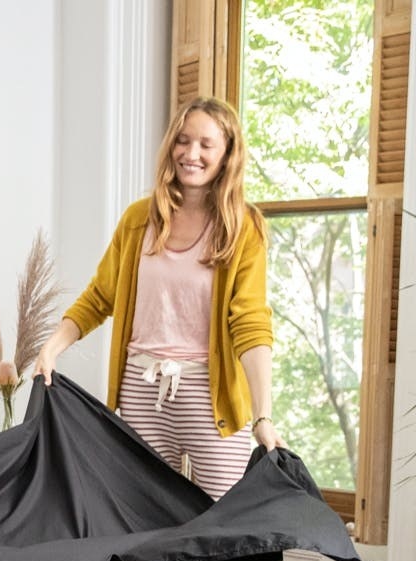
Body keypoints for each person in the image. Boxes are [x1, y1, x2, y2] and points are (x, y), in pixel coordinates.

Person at [34, 96, 284, 500]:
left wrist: (263, 416)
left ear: (228, 154)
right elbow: (99, 297)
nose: (191, 154)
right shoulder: (139, 220)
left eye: (206, 144)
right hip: (140, 390)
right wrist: (51, 349)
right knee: (139, 517)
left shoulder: (243, 228)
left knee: (221, 522)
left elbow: (251, 324)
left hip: (210, 398)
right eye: (183, 141)